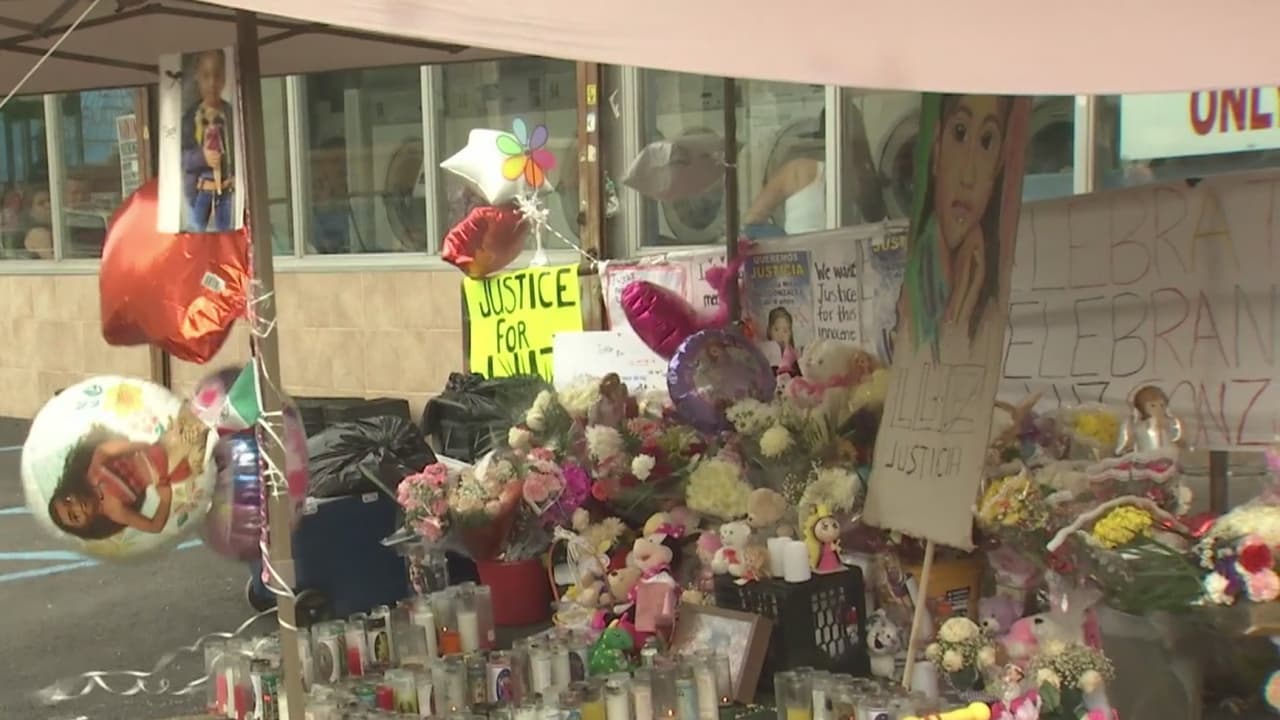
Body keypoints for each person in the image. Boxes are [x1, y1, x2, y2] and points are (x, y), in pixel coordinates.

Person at [895, 94, 1013, 361]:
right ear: (937, 149)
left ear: (998, 165)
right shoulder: (915, 283)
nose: (968, 176)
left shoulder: (989, 275)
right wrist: (961, 301)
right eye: (960, 133)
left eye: (987, 142)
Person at [48, 408, 209, 540]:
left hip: (152, 451)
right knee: (188, 443)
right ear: (86, 526)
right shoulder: (114, 511)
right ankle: (197, 440)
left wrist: (134, 445)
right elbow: (154, 526)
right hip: (165, 470)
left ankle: (197, 423)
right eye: (75, 516)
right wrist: (165, 500)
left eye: (68, 500)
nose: (77, 506)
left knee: (182, 424)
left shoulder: (93, 475)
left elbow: (102, 450)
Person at [181, 49, 234, 232]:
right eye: (206, 76)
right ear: (197, 77)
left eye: (217, 76)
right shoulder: (190, 118)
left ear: (224, 78)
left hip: (227, 192)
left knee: (226, 236)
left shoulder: (231, 114)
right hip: (200, 192)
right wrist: (202, 157)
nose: (212, 83)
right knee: (197, 235)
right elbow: (182, 158)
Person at [762, 306, 799, 377]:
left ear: (790, 333)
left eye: (785, 331)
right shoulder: (764, 353)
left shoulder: (794, 357)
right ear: (769, 330)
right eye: (776, 330)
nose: (780, 335)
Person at [22, 187, 53, 259]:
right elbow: (51, 261)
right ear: (31, 211)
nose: (48, 205)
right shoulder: (37, 233)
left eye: (50, 200)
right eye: (41, 203)